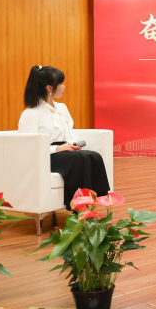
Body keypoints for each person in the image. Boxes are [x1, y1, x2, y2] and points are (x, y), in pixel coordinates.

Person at [18, 65, 110, 209]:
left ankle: (98, 199)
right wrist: (57, 149)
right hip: (46, 155)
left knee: (94, 156)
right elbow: (28, 145)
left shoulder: (62, 108)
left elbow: (69, 132)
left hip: (66, 150)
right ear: (49, 88)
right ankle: (78, 206)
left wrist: (74, 143)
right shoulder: (31, 113)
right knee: (81, 159)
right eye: (61, 83)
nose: (64, 87)